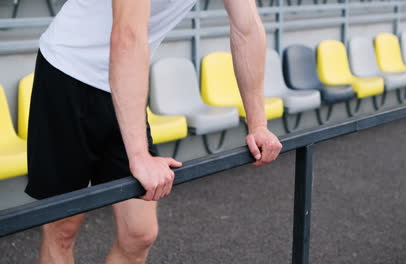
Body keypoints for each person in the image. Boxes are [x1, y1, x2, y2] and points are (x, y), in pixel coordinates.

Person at [24, 0, 283, 263]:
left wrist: (258, 124)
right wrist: (138, 156)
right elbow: (127, 35)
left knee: (139, 234)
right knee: (63, 229)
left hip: (124, 82)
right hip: (68, 72)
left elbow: (246, 27)